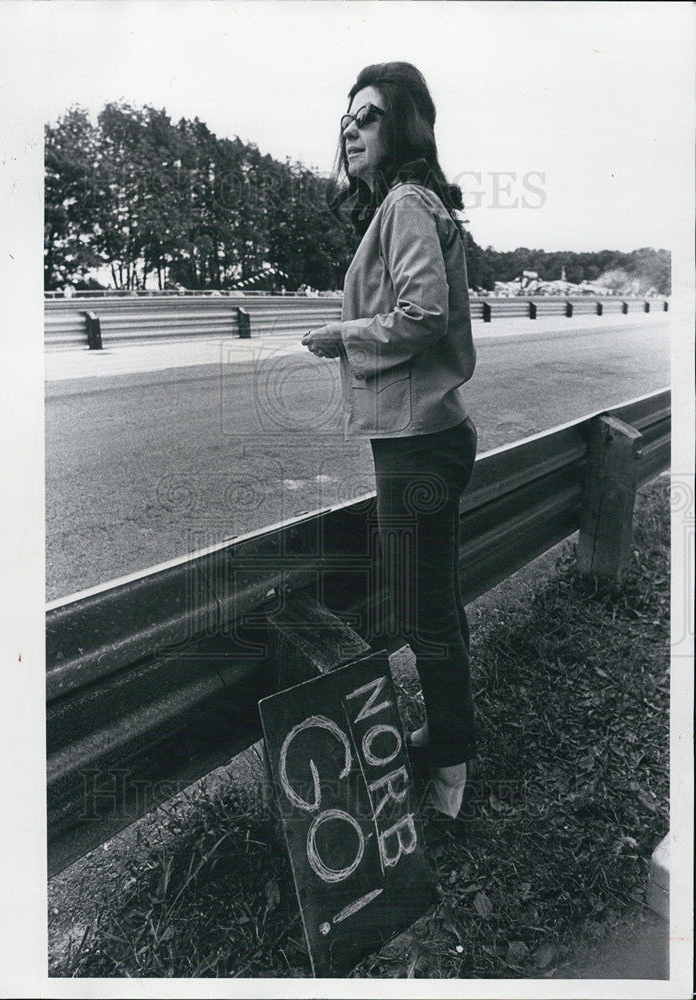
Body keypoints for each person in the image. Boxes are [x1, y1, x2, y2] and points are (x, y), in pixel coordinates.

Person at [301, 62, 477, 820]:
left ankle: (450, 773)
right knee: (435, 601)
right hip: (428, 437)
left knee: (422, 612)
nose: (350, 127)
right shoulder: (411, 205)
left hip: (417, 445)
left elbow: (422, 314)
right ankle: (451, 738)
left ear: (401, 127)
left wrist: (343, 336)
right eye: (347, 117)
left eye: (368, 116)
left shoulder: (405, 203)